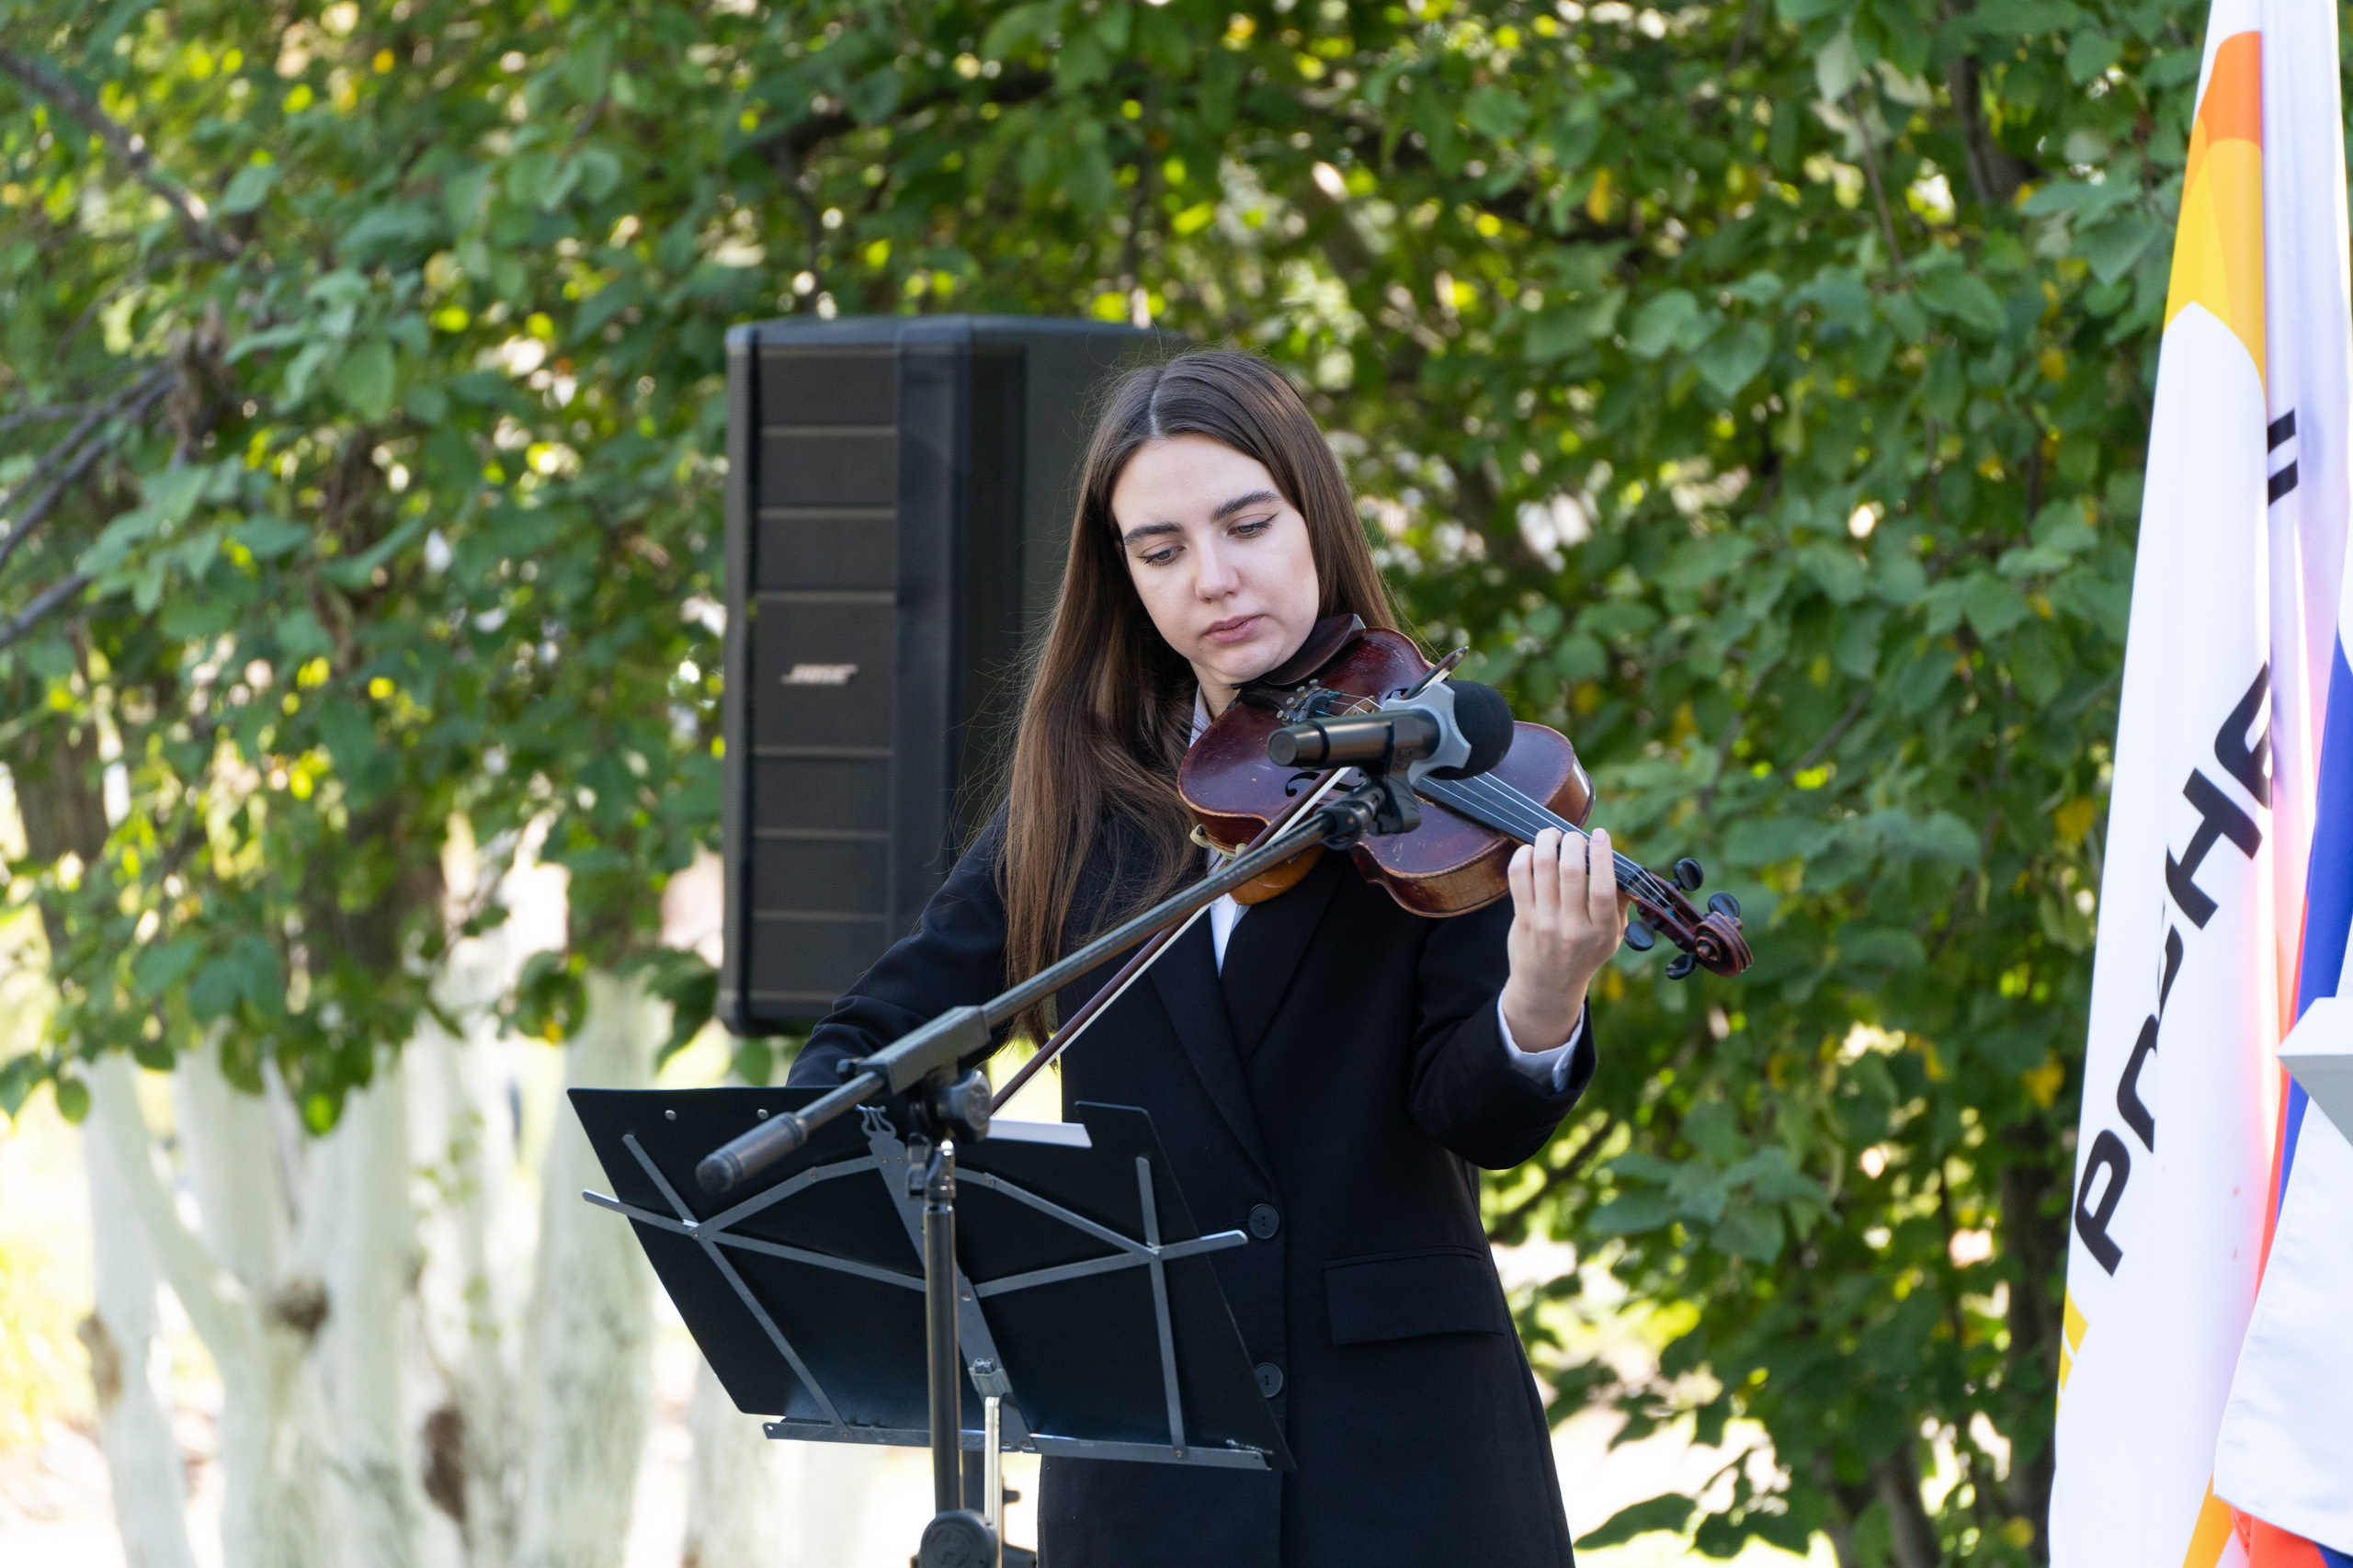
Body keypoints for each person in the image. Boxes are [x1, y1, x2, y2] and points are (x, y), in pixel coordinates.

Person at [789, 348, 1625, 1568]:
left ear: (1315, 519)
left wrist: (1542, 997)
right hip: (1152, 1470)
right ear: (1123, 577)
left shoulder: (1440, 770)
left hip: (1408, 1465)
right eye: (1161, 549)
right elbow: (863, 1048)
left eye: (1247, 526)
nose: (1213, 580)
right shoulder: (1081, 802)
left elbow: (1476, 1115)